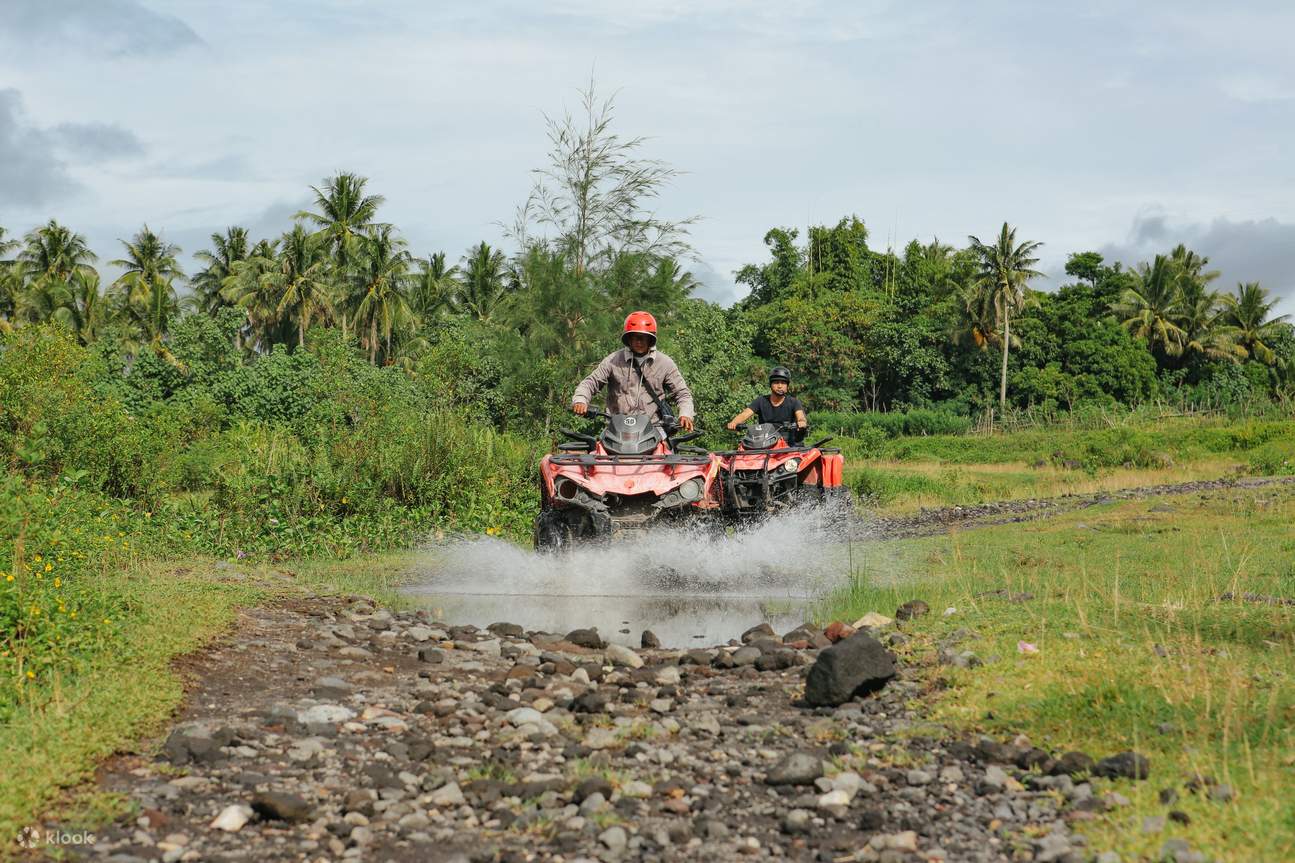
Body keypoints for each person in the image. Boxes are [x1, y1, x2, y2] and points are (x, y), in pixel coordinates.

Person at [572, 311, 696, 432]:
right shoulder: (613, 360)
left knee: (665, 451)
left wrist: (685, 414)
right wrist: (580, 400)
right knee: (599, 451)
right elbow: (590, 383)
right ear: (628, 339)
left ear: (650, 339)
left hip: (654, 428)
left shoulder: (665, 363)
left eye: (643, 338)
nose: (639, 342)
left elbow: (682, 393)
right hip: (616, 429)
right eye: (635, 337)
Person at [726, 366, 807, 438]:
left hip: (788, 443)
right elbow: (744, 414)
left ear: (787, 386)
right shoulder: (761, 401)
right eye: (776, 382)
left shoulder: (794, 402)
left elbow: (801, 417)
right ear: (770, 385)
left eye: (783, 383)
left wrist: (801, 422)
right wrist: (734, 422)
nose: (780, 386)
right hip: (764, 441)